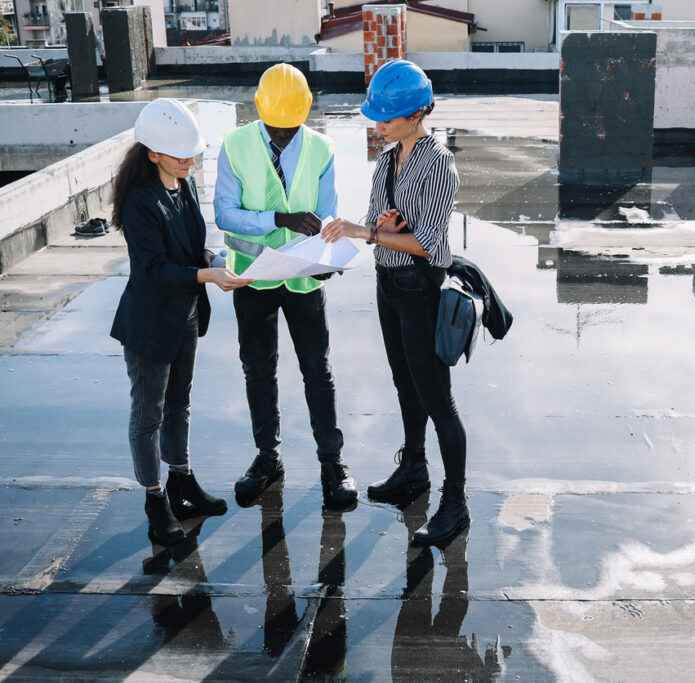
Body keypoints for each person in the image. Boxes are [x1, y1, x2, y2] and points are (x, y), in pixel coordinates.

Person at [321, 60, 469, 546]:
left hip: (422, 291)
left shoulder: (438, 161)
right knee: (405, 385)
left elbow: (432, 244)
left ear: (416, 113)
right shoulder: (387, 160)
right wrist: (383, 223)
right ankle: (414, 469)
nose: (378, 125)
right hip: (389, 287)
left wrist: (374, 231)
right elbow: (375, 226)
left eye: (387, 117)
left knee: (437, 399)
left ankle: (455, 504)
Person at [214, 63, 357, 510]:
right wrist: (278, 219)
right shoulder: (233, 146)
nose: (281, 135)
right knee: (258, 369)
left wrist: (326, 255)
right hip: (251, 277)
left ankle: (332, 463)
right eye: (274, 127)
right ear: (259, 112)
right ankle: (267, 458)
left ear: (305, 115)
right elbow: (223, 214)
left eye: (289, 128)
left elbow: (329, 215)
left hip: (301, 279)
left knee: (318, 370)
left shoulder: (322, 149)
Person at [110, 98, 252, 547]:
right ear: (153, 153)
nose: (190, 161)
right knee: (148, 415)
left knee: (180, 405)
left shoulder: (184, 184)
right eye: (179, 154)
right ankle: (156, 502)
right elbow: (152, 270)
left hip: (186, 316)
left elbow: (192, 249)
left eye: (193, 153)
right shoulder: (139, 201)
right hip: (150, 323)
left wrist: (214, 260)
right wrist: (207, 274)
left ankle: (182, 482)